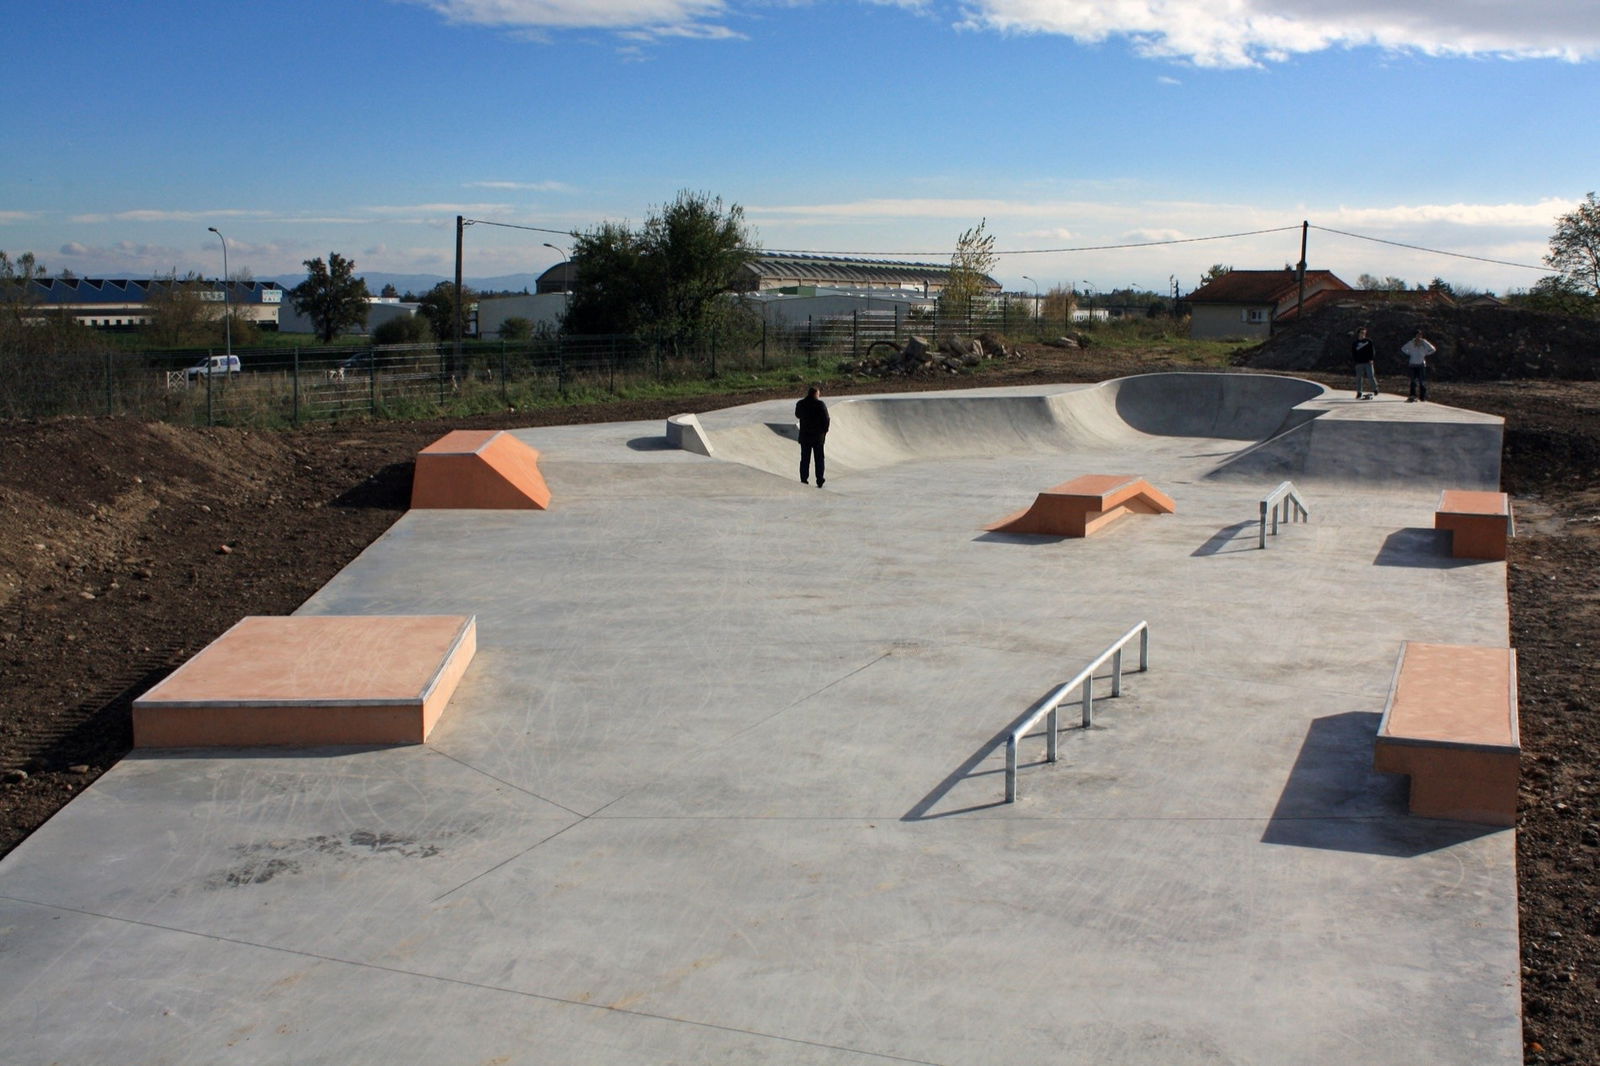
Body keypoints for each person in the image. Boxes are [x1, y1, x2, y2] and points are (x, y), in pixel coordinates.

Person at [795, 384, 830, 487]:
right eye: (819, 394)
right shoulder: (820, 404)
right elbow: (826, 419)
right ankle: (819, 479)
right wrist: (825, 430)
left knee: (805, 459)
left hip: (805, 436)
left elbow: (797, 415)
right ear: (816, 394)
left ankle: (804, 479)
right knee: (819, 459)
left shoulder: (801, 403)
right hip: (818, 437)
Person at [1401, 329, 1436, 403]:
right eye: (1417, 335)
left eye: (1420, 335)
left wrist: (1425, 353)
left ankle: (1422, 396)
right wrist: (1409, 353)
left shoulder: (1424, 342)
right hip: (1412, 364)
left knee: (1421, 381)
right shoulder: (1411, 342)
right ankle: (1412, 395)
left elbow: (1433, 349)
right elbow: (1403, 348)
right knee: (1413, 381)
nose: (1419, 336)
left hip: (1421, 364)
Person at [1351, 327, 1379, 399]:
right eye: (1362, 333)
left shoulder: (1368, 341)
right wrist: (1355, 361)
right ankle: (1359, 392)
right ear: (1358, 333)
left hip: (1368, 362)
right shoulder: (1355, 343)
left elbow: (1372, 351)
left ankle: (1375, 389)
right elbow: (1353, 353)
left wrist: (1371, 359)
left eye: (1364, 333)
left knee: (1371, 376)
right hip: (1359, 362)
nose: (1363, 334)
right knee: (1359, 378)